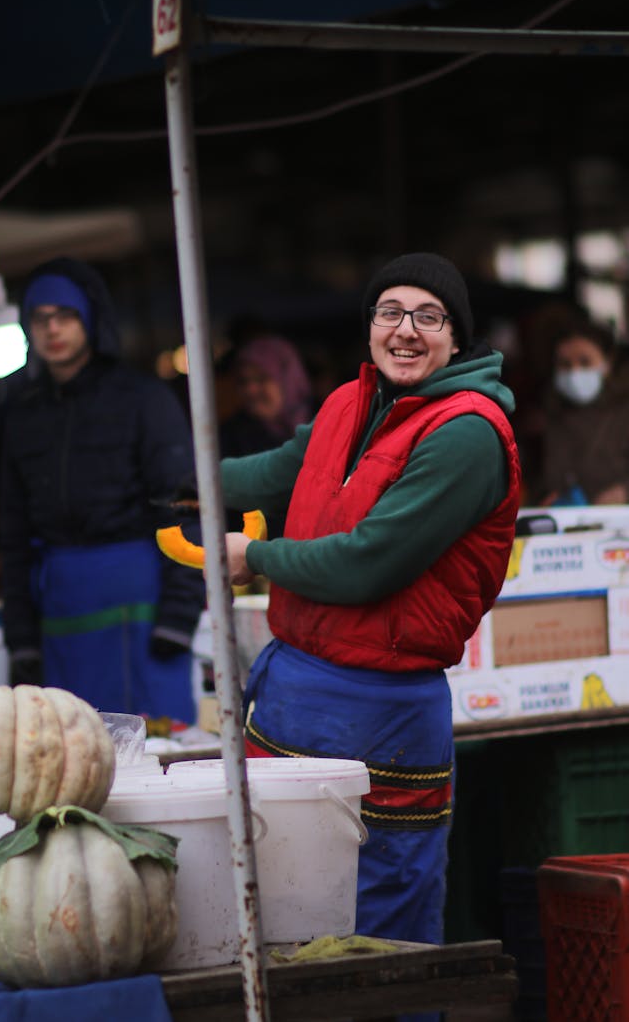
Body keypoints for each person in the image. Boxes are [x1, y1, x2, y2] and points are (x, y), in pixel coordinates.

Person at [218, 253, 521, 970]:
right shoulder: (349, 403)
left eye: (428, 315)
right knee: (286, 915)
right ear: (370, 328)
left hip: (383, 715)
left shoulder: (468, 433)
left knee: (383, 930)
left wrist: (254, 559)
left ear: (456, 337)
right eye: (390, 312)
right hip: (293, 693)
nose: (406, 330)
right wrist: (182, 476)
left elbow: (368, 562)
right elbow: (280, 468)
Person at [0, 256, 205, 723]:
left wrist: (178, 615)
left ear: (90, 318)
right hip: (61, 610)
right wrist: (22, 638)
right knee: (71, 755)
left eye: (65, 315)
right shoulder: (22, 414)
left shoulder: (143, 399)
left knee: (157, 753)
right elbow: (12, 533)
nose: (53, 329)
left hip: (143, 608)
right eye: (40, 317)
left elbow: (186, 505)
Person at [220, 334, 314, 538]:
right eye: (243, 382)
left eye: (262, 379)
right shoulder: (229, 437)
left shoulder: (326, 421)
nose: (251, 390)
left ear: (287, 379)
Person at [537, 317, 629, 506]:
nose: (574, 372)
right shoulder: (555, 412)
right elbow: (552, 480)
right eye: (565, 364)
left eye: (585, 362)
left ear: (608, 362)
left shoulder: (623, 409)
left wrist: (625, 492)